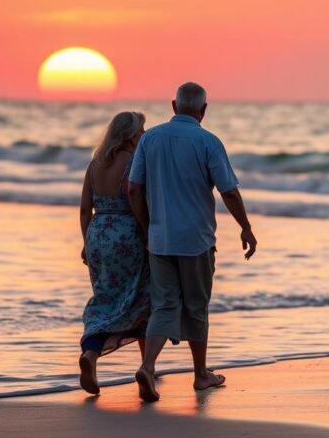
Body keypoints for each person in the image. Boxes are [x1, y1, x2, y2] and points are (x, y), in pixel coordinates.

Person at [128, 81, 257, 402]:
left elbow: (133, 188)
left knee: (164, 305)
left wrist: (147, 228)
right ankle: (200, 375)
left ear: (174, 105)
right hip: (196, 239)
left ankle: (147, 366)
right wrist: (246, 227)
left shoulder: (150, 139)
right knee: (196, 307)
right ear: (204, 109)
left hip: (160, 238)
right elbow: (228, 190)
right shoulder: (208, 141)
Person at [77, 111, 153, 395]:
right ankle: (147, 368)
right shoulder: (134, 161)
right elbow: (135, 196)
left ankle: (91, 355)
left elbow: (85, 208)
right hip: (127, 234)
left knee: (105, 299)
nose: (144, 135)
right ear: (132, 134)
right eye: (142, 130)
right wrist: (146, 232)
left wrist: (87, 240)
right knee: (144, 298)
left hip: (98, 234)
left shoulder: (95, 163)